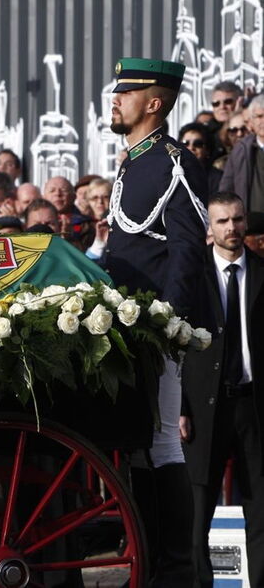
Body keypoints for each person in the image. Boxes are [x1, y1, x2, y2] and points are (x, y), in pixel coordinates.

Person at [103, 57, 208, 587]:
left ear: (155, 103)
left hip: (157, 327)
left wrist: (169, 320)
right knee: (140, 442)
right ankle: (147, 560)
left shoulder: (174, 162)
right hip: (126, 325)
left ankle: (174, 570)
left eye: (126, 92)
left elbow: (187, 251)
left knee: (164, 441)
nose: (114, 99)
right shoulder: (132, 161)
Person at [180, 193, 264, 588]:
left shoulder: (263, 273)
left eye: (237, 219)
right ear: (209, 229)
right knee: (199, 508)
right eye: (223, 221)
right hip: (202, 408)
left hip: (253, 406)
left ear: (245, 222)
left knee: (261, 508)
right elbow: (175, 350)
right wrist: (180, 406)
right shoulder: (192, 279)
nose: (232, 228)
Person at [221, 94, 264, 214]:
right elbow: (227, 188)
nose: (263, 121)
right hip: (249, 224)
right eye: (259, 116)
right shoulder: (241, 149)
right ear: (251, 122)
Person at [179, 122, 223, 193]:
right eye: (185, 143)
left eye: (198, 144)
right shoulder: (170, 174)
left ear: (207, 150)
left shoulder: (218, 178)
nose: (191, 147)